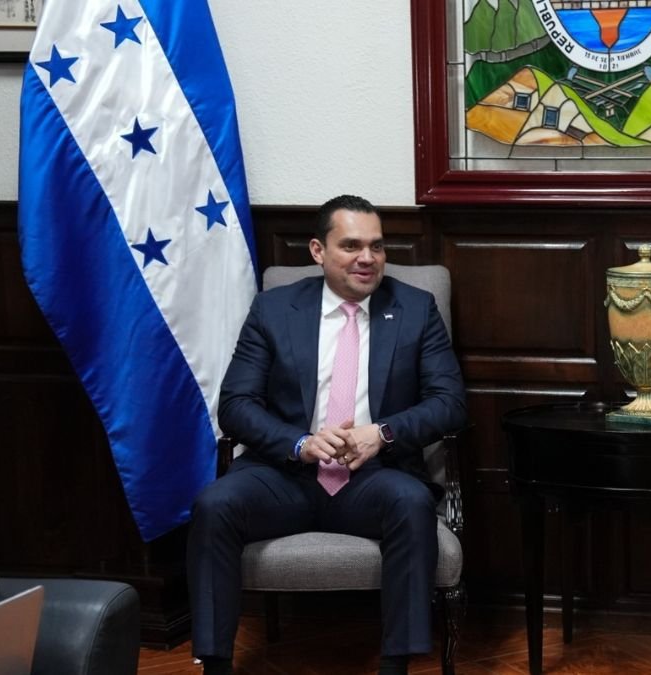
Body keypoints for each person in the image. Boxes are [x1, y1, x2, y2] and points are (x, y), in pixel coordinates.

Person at [187, 195, 467, 675]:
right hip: (284, 474)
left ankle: (395, 665)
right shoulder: (275, 308)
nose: (367, 258)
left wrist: (382, 433)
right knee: (215, 505)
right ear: (318, 251)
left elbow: (450, 403)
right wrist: (300, 443)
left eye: (377, 246)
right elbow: (235, 404)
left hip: (373, 475)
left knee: (411, 502)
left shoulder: (415, 309)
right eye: (351, 245)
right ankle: (214, 665)